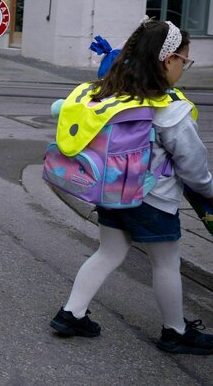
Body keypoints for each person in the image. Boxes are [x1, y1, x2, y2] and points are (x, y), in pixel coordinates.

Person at [50, 19, 213, 356]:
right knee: (166, 264)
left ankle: (71, 314)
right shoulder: (171, 110)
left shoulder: (110, 95)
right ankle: (175, 331)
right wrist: (208, 191)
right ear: (168, 60)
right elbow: (194, 167)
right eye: (185, 61)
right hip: (153, 201)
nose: (184, 68)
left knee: (108, 252)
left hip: (111, 192)